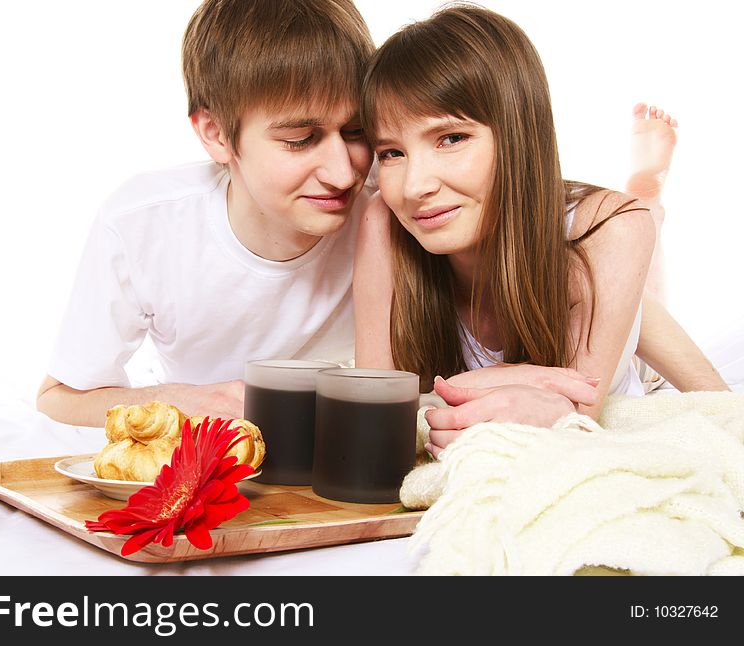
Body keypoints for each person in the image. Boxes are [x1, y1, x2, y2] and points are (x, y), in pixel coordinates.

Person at [353, 4, 728, 453]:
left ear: (518, 132)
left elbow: (576, 410)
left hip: (593, 246)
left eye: (451, 139)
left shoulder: (612, 230)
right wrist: (513, 378)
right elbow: (368, 406)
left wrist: (468, 387)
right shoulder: (384, 220)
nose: (414, 187)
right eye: (392, 153)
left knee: (635, 243)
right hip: (579, 255)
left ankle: (647, 190)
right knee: (628, 282)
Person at [36, 0, 377, 427]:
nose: (343, 173)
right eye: (300, 139)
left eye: (356, 130)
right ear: (215, 135)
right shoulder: (144, 224)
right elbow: (60, 396)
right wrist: (174, 401)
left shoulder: (396, 197)